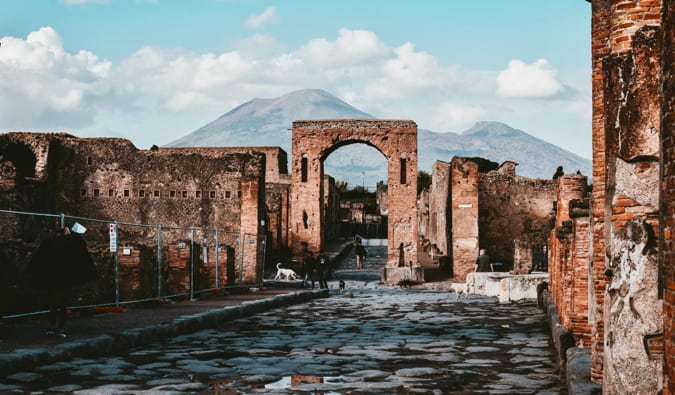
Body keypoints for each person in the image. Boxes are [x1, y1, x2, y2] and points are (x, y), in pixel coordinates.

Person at [24, 223, 97, 338]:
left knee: (53, 305)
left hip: (53, 280)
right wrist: (72, 233)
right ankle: (60, 328)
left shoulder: (49, 244)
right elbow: (80, 243)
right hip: (64, 280)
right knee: (62, 305)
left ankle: (52, 327)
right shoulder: (69, 245)